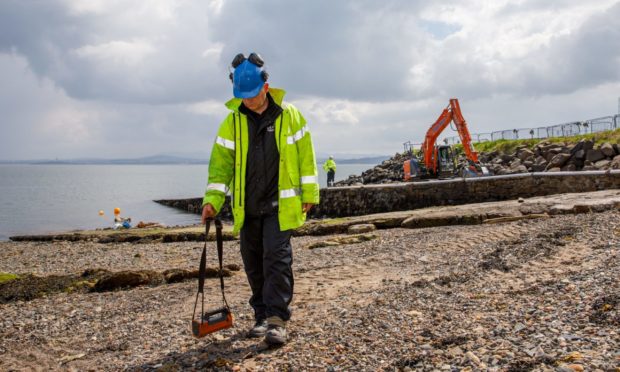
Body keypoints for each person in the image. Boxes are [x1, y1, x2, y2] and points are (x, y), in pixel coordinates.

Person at [201, 52, 319, 346]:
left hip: (281, 205)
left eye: (252, 95)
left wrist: (310, 193)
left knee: (276, 259)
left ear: (266, 87)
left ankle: (277, 320)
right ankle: (261, 316)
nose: (248, 101)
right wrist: (212, 200)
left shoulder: (290, 115)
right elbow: (220, 167)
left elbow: (306, 157)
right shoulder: (231, 122)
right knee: (252, 262)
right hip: (248, 207)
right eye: (243, 96)